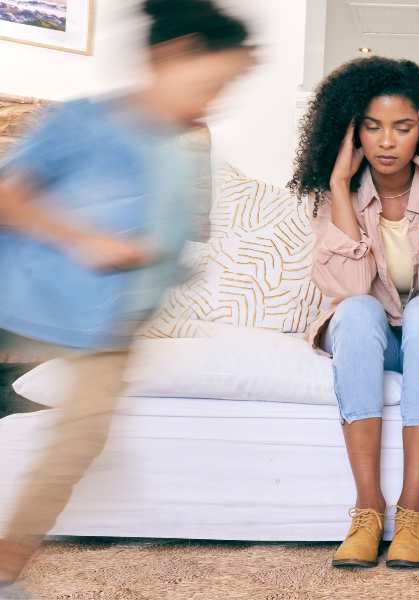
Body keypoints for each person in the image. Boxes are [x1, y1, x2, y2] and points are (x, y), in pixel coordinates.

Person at [0, 0, 254, 592]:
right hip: (23, 300)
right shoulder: (85, 121)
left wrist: (157, 282)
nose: (218, 98)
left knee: (81, 440)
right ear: (174, 55)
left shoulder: (182, 150)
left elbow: (164, 244)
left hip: (106, 326)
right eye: (215, 81)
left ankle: (6, 567)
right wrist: (84, 239)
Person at [288, 56, 419, 569]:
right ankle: (367, 507)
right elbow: (351, 288)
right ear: (352, 131)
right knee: (357, 310)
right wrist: (339, 188)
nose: (385, 142)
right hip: (366, 332)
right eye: (372, 128)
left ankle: (413, 510)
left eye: (402, 128)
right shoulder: (334, 188)